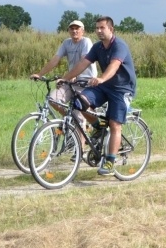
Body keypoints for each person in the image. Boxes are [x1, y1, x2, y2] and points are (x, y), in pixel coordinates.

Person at [58, 16, 137, 176]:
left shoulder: (119, 45)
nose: (99, 31)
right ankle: (100, 128)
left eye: (102, 28)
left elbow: (114, 66)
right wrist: (65, 78)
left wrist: (101, 78)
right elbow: (82, 64)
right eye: (97, 28)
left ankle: (110, 160)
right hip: (105, 86)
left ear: (111, 29)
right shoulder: (97, 47)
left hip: (122, 89)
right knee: (81, 102)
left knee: (115, 124)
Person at [30, 20, 97, 131]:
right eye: (72, 28)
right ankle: (71, 119)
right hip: (70, 81)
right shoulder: (67, 43)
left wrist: (70, 76)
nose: (74, 31)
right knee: (53, 99)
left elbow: (83, 61)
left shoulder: (86, 42)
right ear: (68, 31)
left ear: (83, 31)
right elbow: (55, 59)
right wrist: (40, 74)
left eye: (77, 28)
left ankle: (81, 142)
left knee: (80, 110)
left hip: (85, 83)